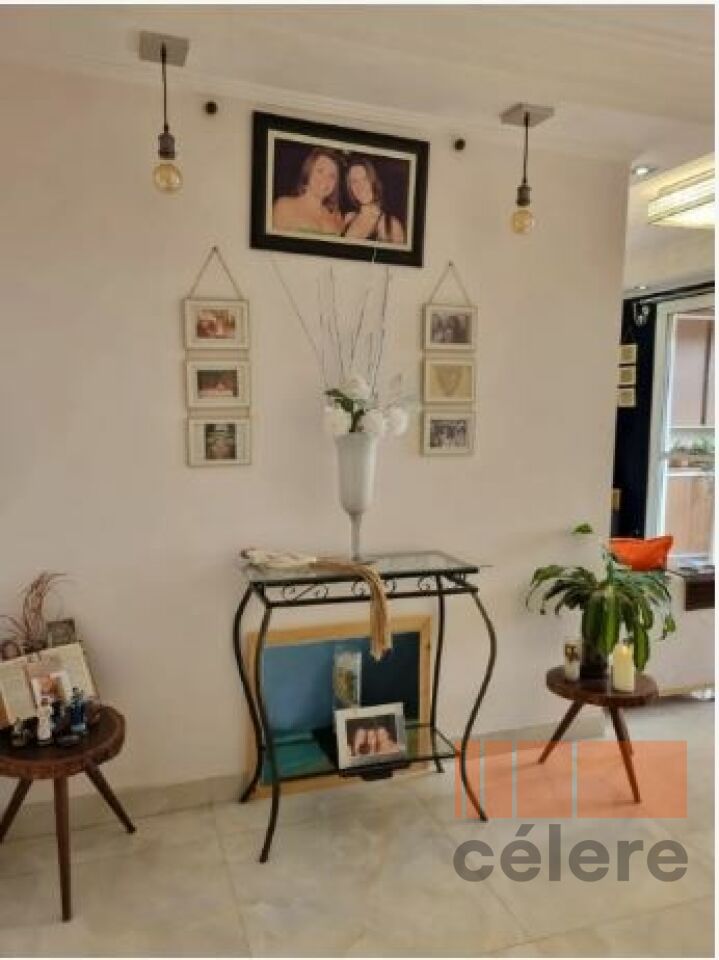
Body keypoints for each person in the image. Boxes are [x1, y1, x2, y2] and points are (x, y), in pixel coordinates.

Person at [272, 148, 343, 235]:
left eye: (332, 176)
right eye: (320, 171)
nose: (325, 179)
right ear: (308, 171)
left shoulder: (336, 217)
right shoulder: (284, 206)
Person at [342, 158, 405, 244]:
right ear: (350, 188)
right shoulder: (348, 218)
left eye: (365, 179)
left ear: (373, 181)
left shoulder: (391, 225)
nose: (360, 186)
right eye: (354, 181)